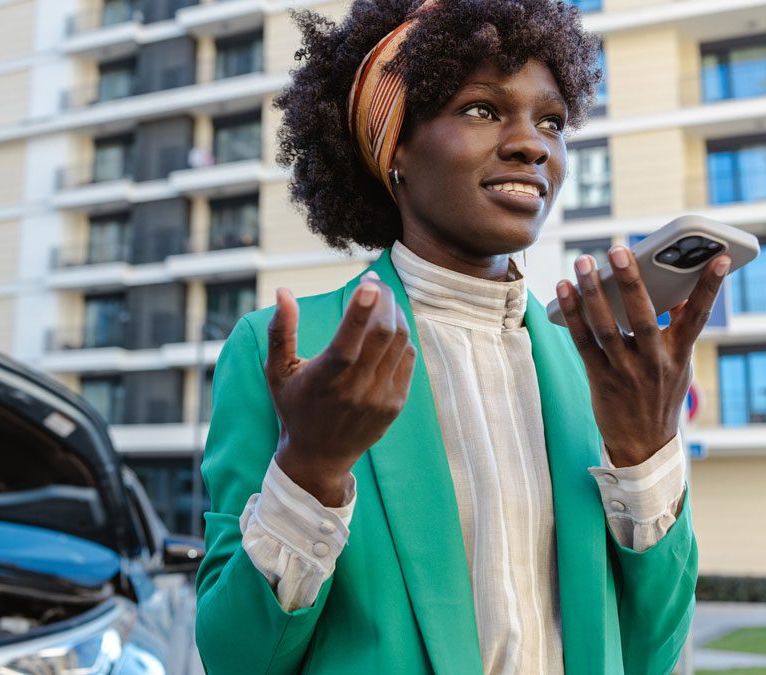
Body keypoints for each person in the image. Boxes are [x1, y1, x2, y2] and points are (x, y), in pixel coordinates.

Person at [194, 1, 724, 673]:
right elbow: (235, 658)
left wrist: (648, 456)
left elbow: (654, 654)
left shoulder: (594, 363)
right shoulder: (287, 348)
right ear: (396, 151)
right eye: (482, 109)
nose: (532, 143)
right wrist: (310, 470)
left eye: (551, 120)